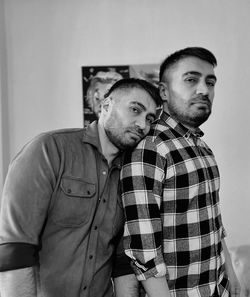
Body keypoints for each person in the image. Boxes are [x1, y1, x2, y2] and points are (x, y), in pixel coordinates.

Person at [0, 78, 162, 297]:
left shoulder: (132, 173)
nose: (143, 125)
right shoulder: (49, 150)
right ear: (106, 105)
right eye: (135, 110)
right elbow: (15, 249)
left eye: (149, 118)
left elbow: (122, 261)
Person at [117, 47, 241, 297]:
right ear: (164, 91)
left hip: (217, 288)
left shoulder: (200, 145)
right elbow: (144, 249)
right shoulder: (150, 147)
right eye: (191, 80)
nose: (204, 89)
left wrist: (231, 274)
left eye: (210, 82)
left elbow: (213, 220)